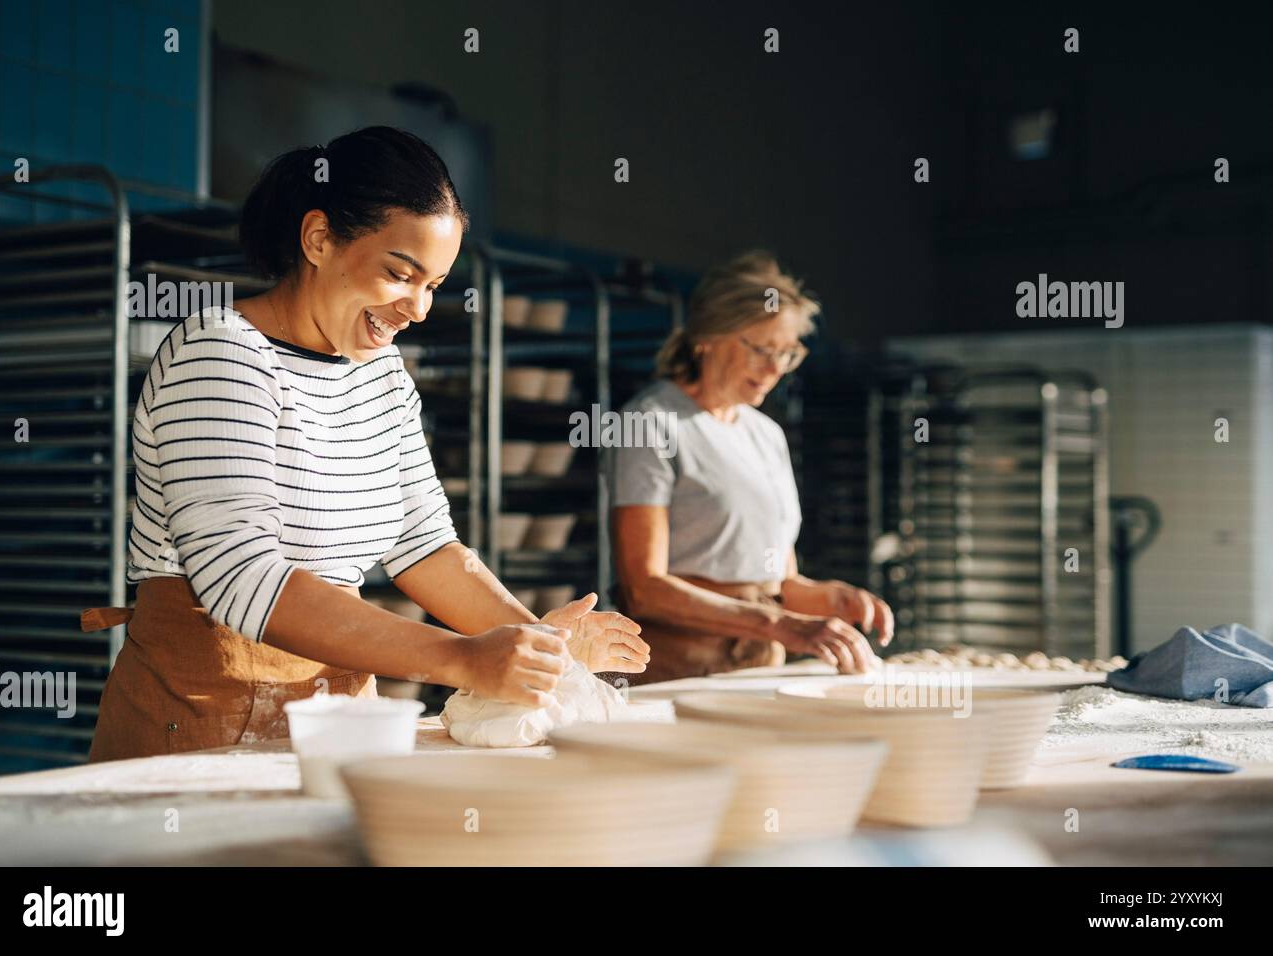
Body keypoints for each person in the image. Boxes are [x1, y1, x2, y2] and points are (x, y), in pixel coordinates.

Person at [85, 126, 648, 760]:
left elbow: (426, 545)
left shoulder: (380, 374)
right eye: (400, 274)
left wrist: (543, 649)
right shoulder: (220, 355)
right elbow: (241, 576)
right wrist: (462, 658)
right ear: (319, 239)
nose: (419, 308)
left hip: (339, 720)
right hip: (196, 723)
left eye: (433, 285)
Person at [605, 252, 892, 684]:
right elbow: (644, 589)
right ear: (707, 336)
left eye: (787, 353)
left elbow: (777, 582)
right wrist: (776, 624)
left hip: (757, 669)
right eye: (761, 349)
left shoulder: (766, 435)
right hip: (675, 671)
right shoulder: (648, 424)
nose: (775, 368)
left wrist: (832, 598)